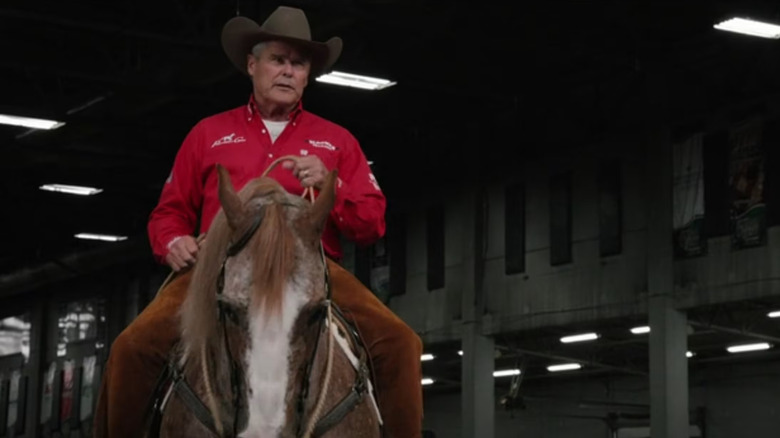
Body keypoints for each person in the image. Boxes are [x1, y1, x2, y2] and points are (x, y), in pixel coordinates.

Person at [93, 6, 424, 438]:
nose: (287, 71)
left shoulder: (337, 141)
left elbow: (371, 222)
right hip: (216, 270)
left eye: (298, 63)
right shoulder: (207, 134)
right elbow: (168, 212)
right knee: (130, 349)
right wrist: (172, 240)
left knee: (401, 344)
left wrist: (331, 183)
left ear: (308, 75)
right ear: (252, 65)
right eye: (278, 60)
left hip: (309, 269)